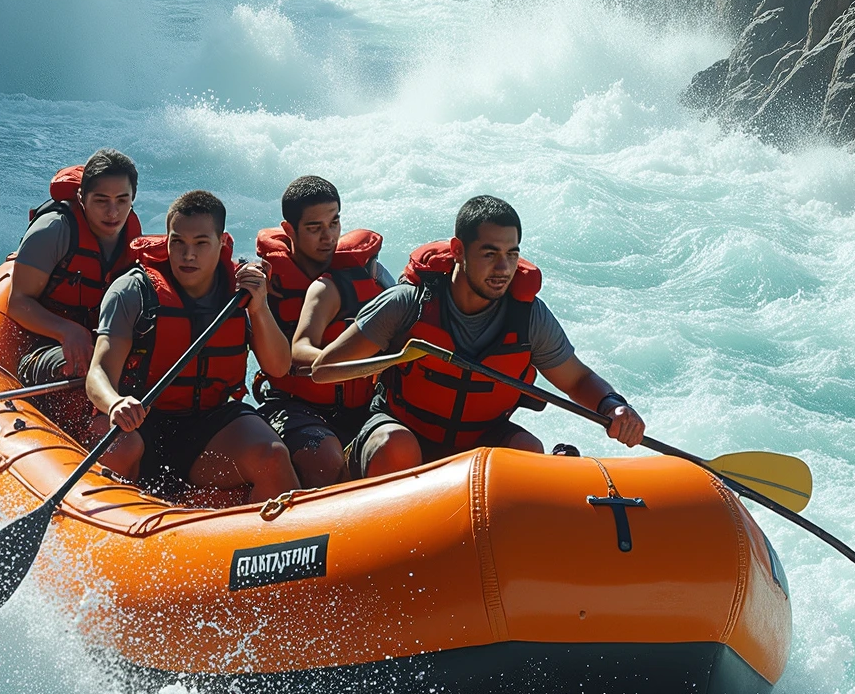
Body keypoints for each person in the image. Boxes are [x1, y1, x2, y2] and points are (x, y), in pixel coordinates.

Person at [313, 194, 646, 475]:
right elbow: (323, 370)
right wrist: (398, 358)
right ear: (458, 250)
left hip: (479, 440)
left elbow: (576, 380)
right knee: (397, 447)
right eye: (490, 254)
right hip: (400, 432)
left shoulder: (529, 317)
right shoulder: (407, 303)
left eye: (511, 254)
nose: (503, 269)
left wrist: (613, 406)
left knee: (528, 449)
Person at [86, 190, 299, 501]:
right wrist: (115, 403)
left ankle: (260, 544)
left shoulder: (241, 291)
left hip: (207, 424)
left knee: (273, 456)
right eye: (178, 243)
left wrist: (259, 308)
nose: (188, 255)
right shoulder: (133, 290)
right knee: (122, 447)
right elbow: (99, 373)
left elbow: (278, 367)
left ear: (223, 242)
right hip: (139, 419)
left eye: (201, 244)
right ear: (167, 239)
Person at [254, 175, 395, 486]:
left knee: (399, 445)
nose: (328, 237)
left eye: (334, 223)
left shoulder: (367, 272)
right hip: (291, 405)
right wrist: (348, 363)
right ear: (289, 230)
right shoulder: (265, 284)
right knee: (326, 459)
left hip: (365, 406)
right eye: (314, 228)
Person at [7, 150, 142, 441]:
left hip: (99, 342)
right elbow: (18, 303)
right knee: (84, 365)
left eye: (122, 200)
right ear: (82, 198)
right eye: (101, 201)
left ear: (133, 198)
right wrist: (66, 331)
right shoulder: (53, 230)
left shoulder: (132, 237)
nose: (113, 213)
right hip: (42, 347)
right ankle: (77, 440)